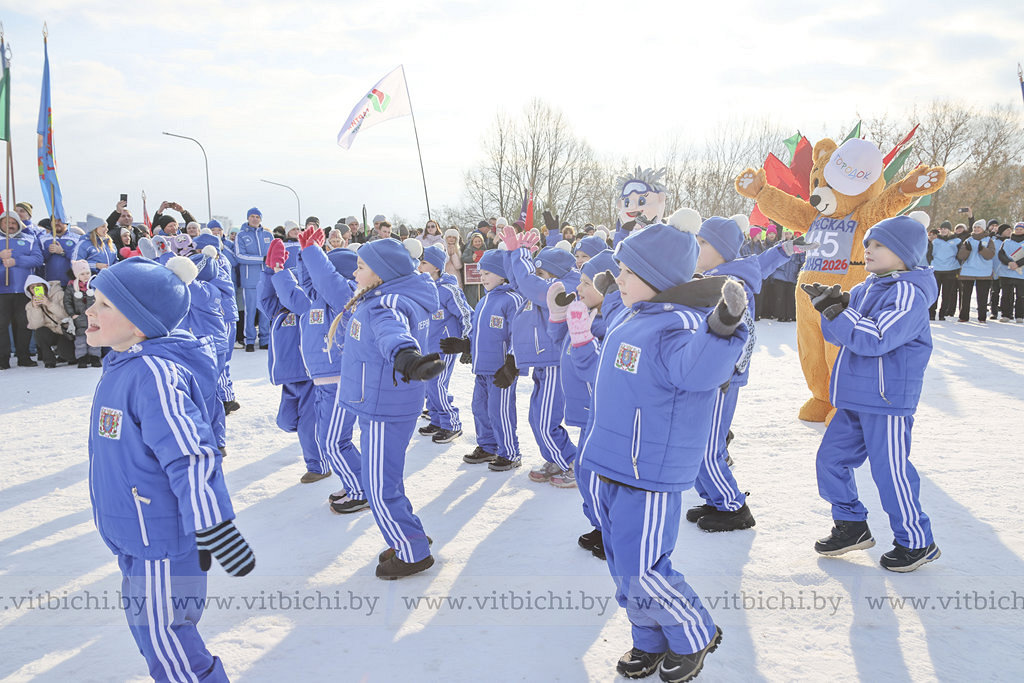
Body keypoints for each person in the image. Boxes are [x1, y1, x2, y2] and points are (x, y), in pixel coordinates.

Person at [577, 223, 749, 682]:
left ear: (655, 276)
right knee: (623, 571)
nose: (619, 277)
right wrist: (588, 327)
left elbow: (699, 370)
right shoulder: (636, 314)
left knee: (644, 571)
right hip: (611, 463)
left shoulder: (682, 325)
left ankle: (695, 632)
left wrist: (721, 329)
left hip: (646, 472)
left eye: (627, 270)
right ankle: (649, 640)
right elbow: (611, 358)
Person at [85, 255, 254, 682]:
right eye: (94, 300)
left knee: (168, 640)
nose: (90, 310)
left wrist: (213, 524)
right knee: (153, 633)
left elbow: (190, 454)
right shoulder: (125, 363)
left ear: (140, 322)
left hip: (160, 538)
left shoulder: (153, 373)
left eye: (105, 304)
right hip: (136, 533)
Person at [807, 214, 941, 572]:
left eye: (880, 244)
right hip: (853, 396)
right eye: (868, 243)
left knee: (890, 472)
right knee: (830, 461)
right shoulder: (867, 287)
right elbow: (839, 335)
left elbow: (875, 337)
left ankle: (917, 541)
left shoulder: (909, 293)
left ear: (905, 253)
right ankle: (851, 525)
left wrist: (840, 313)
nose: (869, 249)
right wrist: (829, 309)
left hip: (886, 400)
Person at [336, 238, 444, 579]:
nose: (355, 272)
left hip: (385, 405)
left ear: (381, 273)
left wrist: (406, 358)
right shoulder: (382, 296)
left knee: (379, 486)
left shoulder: (387, 303)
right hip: (383, 401)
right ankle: (406, 536)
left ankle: (412, 552)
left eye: (361, 267)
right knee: (383, 480)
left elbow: (392, 333)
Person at [290, 226, 365, 512]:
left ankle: (361, 490)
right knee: (328, 438)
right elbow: (310, 282)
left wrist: (313, 252)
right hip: (324, 381)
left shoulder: (345, 294)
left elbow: (326, 280)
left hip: (339, 379)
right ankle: (354, 482)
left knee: (334, 441)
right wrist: (303, 257)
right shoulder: (320, 298)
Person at [502, 227, 581, 483]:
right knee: (536, 418)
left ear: (554, 274)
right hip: (542, 361)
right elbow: (518, 281)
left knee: (547, 421)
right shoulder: (541, 285)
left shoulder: (563, 287)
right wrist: (512, 254)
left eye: (541, 272)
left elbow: (528, 283)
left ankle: (571, 462)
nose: (535, 277)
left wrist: (522, 256)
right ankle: (556, 458)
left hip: (555, 361)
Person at [441, 249, 524, 469]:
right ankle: (488, 446)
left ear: (502, 274)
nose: (482, 277)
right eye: (481, 273)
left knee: (500, 411)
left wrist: (512, 363)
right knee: (480, 408)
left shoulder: (512, 299)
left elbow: (519, 334)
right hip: (482, 368)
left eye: (488, 273)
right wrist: (466, 345)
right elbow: (479, 332)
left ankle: (510, 452)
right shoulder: (485, 300)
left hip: (502, 371)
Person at [259, 238, 329, 483]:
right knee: (287, 421)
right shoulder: (279, 310)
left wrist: (280, 271)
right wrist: (269, 270)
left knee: (308, 425)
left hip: (311, 375)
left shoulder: (311, 304)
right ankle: (318, 438)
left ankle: (319, 465)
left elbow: (295, 299)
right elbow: (265, 299)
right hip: (289, 377)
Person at [418, 245, 473, 443]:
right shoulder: (423, 288)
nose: (419, 265)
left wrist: (467, 341)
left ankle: (452, 423)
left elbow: (466, 314)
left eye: (423, 262)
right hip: (427, 346)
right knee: (428, 385)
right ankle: (437, 420)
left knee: (437, 384)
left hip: (445, 346)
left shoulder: (449, 290)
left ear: (436, 267)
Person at [1, 211, 45, 368]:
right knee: (1, 324)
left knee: (24, 323)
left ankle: (24, 356)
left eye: (13, 222)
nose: (10, 225)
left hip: (23, 289)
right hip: (2, 290)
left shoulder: (30, 238)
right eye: (6, 222)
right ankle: (3, 358)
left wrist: (16, 261)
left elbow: (38, 259)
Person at [233, 207, 273, 350]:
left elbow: (273, 255)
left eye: (257, 216)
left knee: (265, 311)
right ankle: (249, 340)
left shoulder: (268, 235)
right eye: (252, 216)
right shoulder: (241, 235)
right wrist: (261, 259)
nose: (255, 219)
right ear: (248, 218)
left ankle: (264, 339)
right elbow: (240, 256)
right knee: (250, 312)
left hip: (266, 280)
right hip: (250, 280)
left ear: (261, 219)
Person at [24, 274, 74, 367]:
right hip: (49, 333)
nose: (36, 289)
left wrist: (49, 304)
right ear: (29, 291)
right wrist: (36, 308)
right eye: (32, 288)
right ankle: (49, 361)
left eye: (38, 286)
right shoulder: (29, 305)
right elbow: (35, 325)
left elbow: (66, 315)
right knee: (39, 333)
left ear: (44, 286)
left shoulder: (59, 294)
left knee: (68, 355)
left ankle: (64, 353)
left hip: (64, 331)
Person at [956, 219, 996, 323]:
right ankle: (963, 316)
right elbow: (961, 255)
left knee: (982, 296)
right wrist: (967, 250)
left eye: (979, 227)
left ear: (983, 229)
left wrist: (982, 249)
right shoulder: (968, 240)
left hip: (983, 271)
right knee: (965, 296)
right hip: (968, 271)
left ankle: (982, 317)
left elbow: (990, 255)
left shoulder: (989, 240)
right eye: (975, 227)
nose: (976, 229)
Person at [65, 259, 103, 368]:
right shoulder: (72, 287)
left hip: (94, 317)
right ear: (77, 275)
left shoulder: (94, 285)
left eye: (88, 273)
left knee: (95, 337)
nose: (86, 276)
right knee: (80, 340)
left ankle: (95, 357)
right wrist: (72, 314)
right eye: (82, 274)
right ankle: (82, 358)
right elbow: (67, 301)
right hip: (79, 317)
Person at [927, 220, 961, 321]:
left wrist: (957, 264)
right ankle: (932, 313)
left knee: (947, 293)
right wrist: (931, 263)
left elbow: (960, 254)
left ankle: (942, 314)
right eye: (942, 228)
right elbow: (929, 254)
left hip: (950, 270)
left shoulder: (957, 241)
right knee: (934, 293)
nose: (943, 230)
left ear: (949, 230)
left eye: (945, 228)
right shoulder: (935, 241)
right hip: (936, 269)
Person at [997, 222, 1024, 322]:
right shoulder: (1007, 242)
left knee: (1020, 295)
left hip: (1021, 273)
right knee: (1006, 294)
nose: (1018, 231)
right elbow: (1001, 255)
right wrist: (1009, 263)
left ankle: (1020, 315)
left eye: (1021, 229)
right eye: (1017, 229)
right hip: (1007, 272)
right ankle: (1006, 314)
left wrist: (1018, 264)